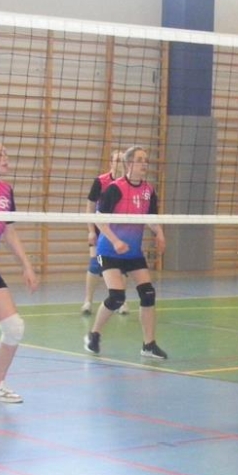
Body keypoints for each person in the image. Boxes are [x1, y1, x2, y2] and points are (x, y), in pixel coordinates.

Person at [84, 146, 168, 360]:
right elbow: (98, 219)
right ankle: (94, 335)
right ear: (129, 164)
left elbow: (151, 219)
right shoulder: (115, 189)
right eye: (140, 160)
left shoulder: (149, 190)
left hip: (132, 253)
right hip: (108, 251)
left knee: (148, 294)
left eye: (146, 160)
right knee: (117, 297)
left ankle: (149, 345)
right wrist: (116, 240)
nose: (145, 163)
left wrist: (159, 233)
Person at [0, 139, 39, 404]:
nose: (5, 157)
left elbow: (9, 232)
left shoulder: (5, 191)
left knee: (14, 327)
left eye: (6, 152)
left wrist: (26, 266)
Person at [82, 150, 128, 316]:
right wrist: (90, 231)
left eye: (123, 160)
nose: (120, 163)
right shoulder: (101, 181)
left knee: (121, 268)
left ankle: (121, 301)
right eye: (117, 160)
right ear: (111, 163)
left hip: (120, 232)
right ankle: (88, 301)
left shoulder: (128, 183)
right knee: (96, 265)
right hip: (100, 230)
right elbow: (90, 207)